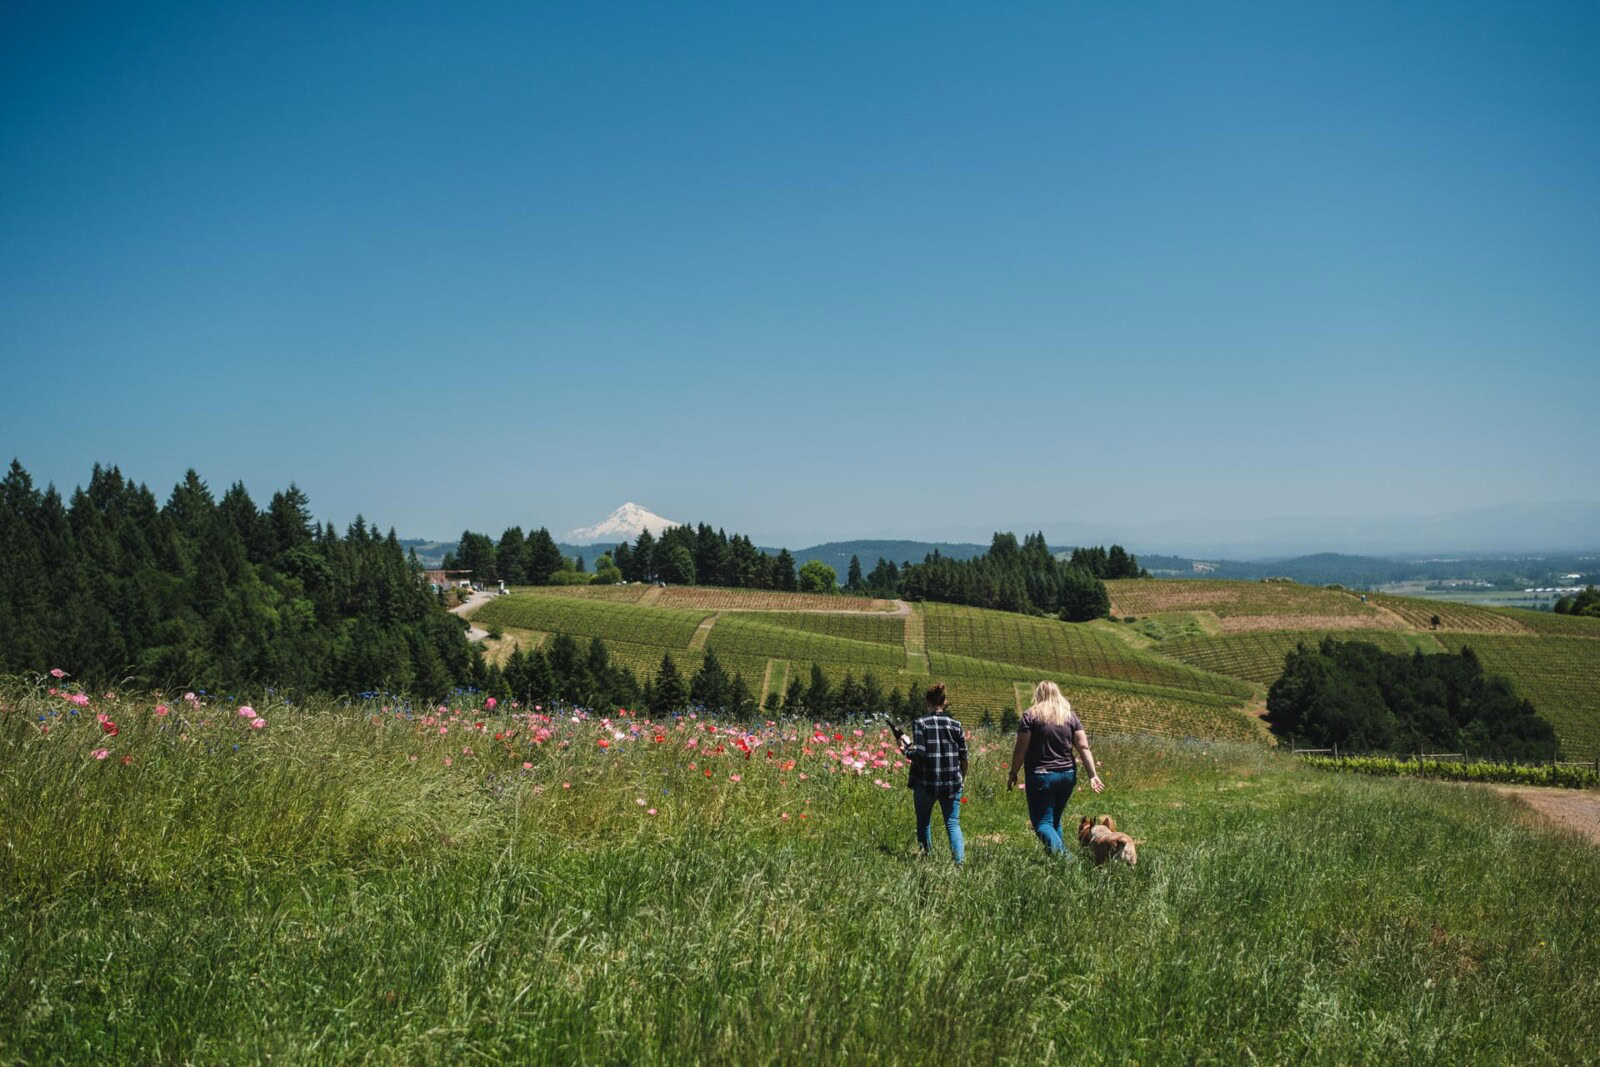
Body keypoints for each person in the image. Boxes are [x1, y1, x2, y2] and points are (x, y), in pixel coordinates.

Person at [1007, 680, 1104, 854]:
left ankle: (1067, 860)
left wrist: (1013, 772)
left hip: (1041, 775)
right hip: (1067, 775)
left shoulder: (1030, 716)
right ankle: (1056, 860)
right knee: (1054, 821)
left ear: (1038, 694)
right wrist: (1092, 775)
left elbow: (1021, 749)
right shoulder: (1070, 716)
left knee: (1041, 823)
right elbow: (1083, 747)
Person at [899, 682, 968, 865]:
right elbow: (964, 757)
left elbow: (920, 753)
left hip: (926, 783)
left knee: (924, 822)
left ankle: (927, 857)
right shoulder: (956, 725)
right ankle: (959, 864)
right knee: (952, 824)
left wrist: (905, 750)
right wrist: (963, 778)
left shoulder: (920, 723)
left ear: (927, 702)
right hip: (952, 783)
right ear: (944, 702)